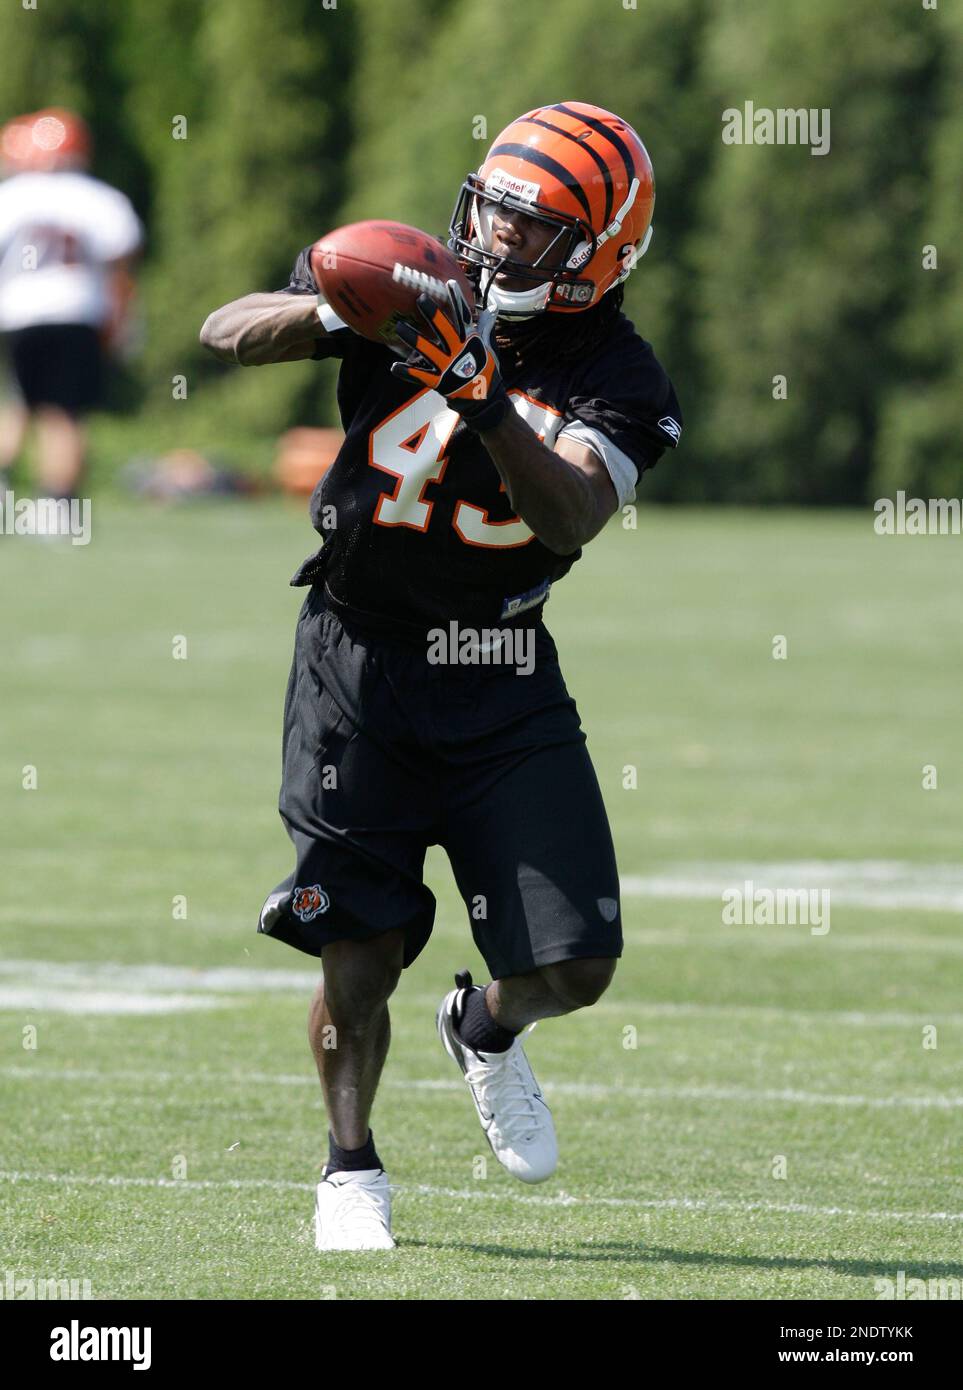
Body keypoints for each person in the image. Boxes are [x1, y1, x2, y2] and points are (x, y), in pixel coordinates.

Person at [200, 101, 682, 1251]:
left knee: (578, 962)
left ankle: (484, 1026)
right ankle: (350, 1167)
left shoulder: (621, 375)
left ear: (601, 252)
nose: (498, 237)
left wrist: (481, 392)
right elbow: (227, 330)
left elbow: (567, 515)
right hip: (358, 657)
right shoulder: (422, 284)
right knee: (356, 947)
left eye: (534, 226)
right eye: (493, 210)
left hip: (500, 668)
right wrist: (344, 305)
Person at [0, 108, 142, 499]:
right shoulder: (100, 198)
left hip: (19, 313)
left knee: (21, 400)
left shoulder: (11, 196)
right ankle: (57, 503)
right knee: (64, 412)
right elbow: (122, 267)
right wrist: (122, 322)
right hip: (78, 311)